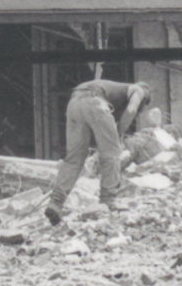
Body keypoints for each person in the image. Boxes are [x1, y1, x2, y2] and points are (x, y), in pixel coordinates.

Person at [43, 74, 159, 223]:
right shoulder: (139, 90)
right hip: (95, 101)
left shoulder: (115, 91)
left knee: (74, 158)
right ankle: (107, 201)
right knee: (111, 153)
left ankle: (56, 203)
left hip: (74, 102)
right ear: (145, 98)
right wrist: (119, 135)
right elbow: (131, 110)